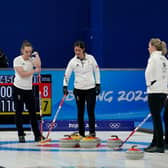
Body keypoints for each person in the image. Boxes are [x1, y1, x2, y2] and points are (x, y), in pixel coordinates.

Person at [63, 41, 101, 137]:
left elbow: (96, 70)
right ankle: (81, 133)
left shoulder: (91, 58)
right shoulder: (72, 61)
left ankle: (92, 132)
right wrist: (65, 86)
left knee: (90, 111)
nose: (77, 52)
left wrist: (98, 84)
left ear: (83, 49)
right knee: (80, 112)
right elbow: (67, 74)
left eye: (78, 50)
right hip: (78, 90)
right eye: (75, 50)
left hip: (90, 89)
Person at [13, 40, 44, 142]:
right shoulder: (17, 60)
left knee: (32, 113)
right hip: (18, 89)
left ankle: (37, 135)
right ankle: (21, 134)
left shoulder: (31, 59)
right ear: (22, 51)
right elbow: (22, 74)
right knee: (19, 112)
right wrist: (34, 71)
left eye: (30, 52)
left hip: (28, 90)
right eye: (26, 52)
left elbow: (39, 66)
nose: (28, 54)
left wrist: (37, 56)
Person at [144, 38, 168, 153]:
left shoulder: (153, 58)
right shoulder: (164, 58)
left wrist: (149, 85)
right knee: (157, 118)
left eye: (149, 46)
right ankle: (155, 141)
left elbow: (148, 73)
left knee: (156, 119)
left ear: (153, 47)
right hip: (163, 91)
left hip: (155, 91)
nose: (148, 48)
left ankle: (159, 145)